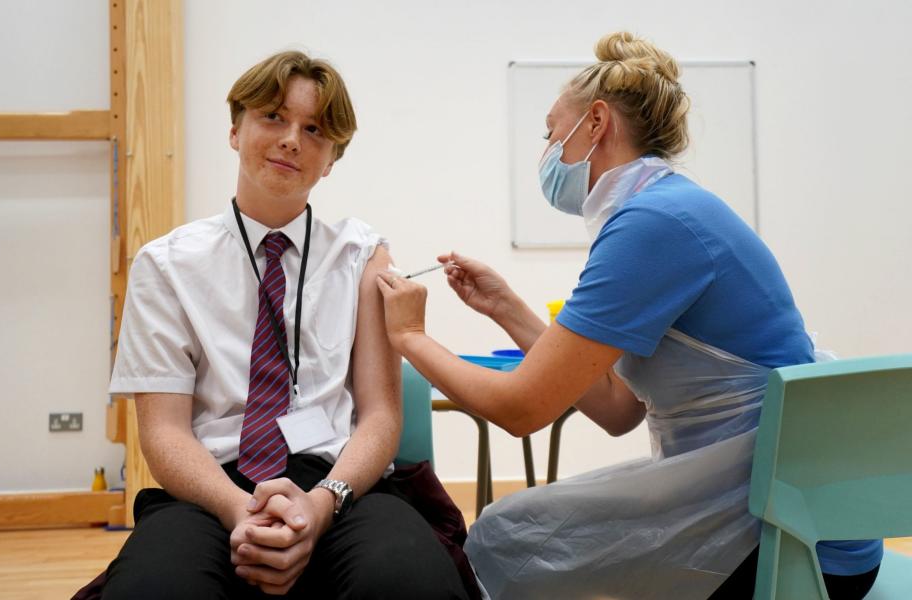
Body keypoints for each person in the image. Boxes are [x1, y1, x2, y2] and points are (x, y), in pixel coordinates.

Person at [376, 31, 882, 600]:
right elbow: (618, 409)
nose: (546, 150)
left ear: (595, 123)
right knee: (516, 536)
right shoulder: (665, 208)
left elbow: (521, 410)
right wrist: (508, 310)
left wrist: (409, 336)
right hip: (787, 511)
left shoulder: (652, 224)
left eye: (550, 131)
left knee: (501, 538)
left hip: (791, 543)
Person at [99, 51, 469, 599]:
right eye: (273, 116)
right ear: (235, 130)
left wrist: (321, 504)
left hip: (338, 484)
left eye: (314, 129)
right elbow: (164, 432)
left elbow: (380, 414)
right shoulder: (166, 264)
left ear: (331, 159)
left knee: (409, 581)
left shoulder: (362, 256)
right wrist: (238, 510)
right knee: (154, 588)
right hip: (210, 487)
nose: (292, 139)